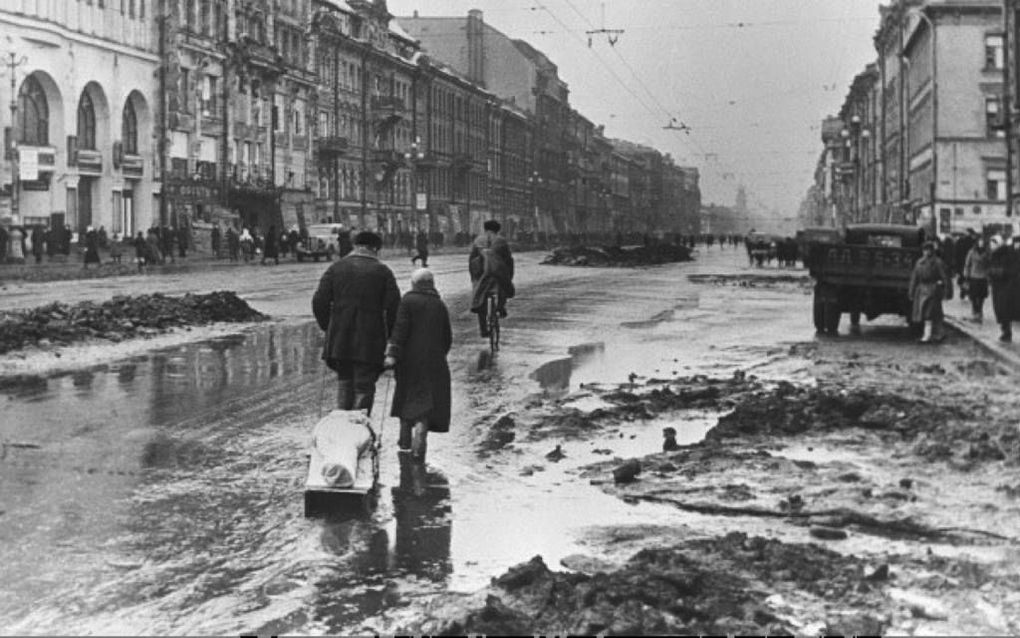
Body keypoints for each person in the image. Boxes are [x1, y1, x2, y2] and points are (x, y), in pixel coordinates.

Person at [312, 231, 401, 414]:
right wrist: (391, 338)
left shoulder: (336, 268)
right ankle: (359, 427)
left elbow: (319, 301)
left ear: (355, 246)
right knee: (364, 385)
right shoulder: (382, 271)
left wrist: (329, 327)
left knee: (344, 381)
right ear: (374, 248)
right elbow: (394, 307)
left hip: (339, 339)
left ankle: (343, 428)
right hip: (370, 339)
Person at [383, 268, 452, 463]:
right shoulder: (439, 305)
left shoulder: (408, 301)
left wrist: (392, 354)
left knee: (407, 399)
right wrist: (438, 356)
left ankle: (404, 443)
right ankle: (419, 446)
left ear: (414, 284)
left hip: (409, 361)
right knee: (425, 404)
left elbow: (400, 330)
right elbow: (447, 337)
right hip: (434, 362)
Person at [469, 220, 515, 338]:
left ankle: (483, 330)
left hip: (481, 274)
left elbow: (472, 259)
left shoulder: (478, 240)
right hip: (496, 273)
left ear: (485, 228)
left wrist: (474, 277)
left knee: (480, 297)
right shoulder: (502, 241)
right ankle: (501, 307)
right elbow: (508, 260)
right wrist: (509, 275)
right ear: (497, 229)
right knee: (503, 286)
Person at [908, 240, 953, 343]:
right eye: (925, 250)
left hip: (933, 290)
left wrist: (946, 291)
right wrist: (911, 291)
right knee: (924, 314)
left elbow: (945, 277)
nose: (926, 252)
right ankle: (933, 334)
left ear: (932, 251)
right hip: (921, 290)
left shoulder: (937, 262)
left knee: (930, 314)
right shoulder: (919, 262)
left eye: (929, 250)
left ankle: (929, 335)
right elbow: (914, 278)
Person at [988, 234, 1020, 342]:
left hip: (1007, 287)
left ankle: (1006, 332)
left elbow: (1012, 270)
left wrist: (999, 272)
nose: (991, 246)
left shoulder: (1009, 254)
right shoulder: (994, 254)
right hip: (998, 287)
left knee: (1006, 310)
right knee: (1001, 310)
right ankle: (1005, 331)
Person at [963, 236, 990, 323]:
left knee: (982, 296)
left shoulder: (986, 252)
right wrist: (966, 275)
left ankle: (980, 310)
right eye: (979, 241)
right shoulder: (971, 252)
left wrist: (989, 275)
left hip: (983, 277)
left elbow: (989, 264)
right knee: (974, 296)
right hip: (974, 276)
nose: (981, 243)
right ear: (976, 242)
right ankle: (975, 310)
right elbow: (967, 264)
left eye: (982, 241)